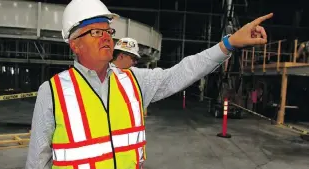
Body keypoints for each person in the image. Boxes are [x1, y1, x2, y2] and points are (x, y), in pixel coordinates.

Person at [25, 0, 273, 168]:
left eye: (108, 31)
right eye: (95, 32)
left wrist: (227, 44)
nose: (106, 38)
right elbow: (38, 161)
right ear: (75, 44)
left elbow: (183, 71)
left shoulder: (133, 82)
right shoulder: (54, 92)